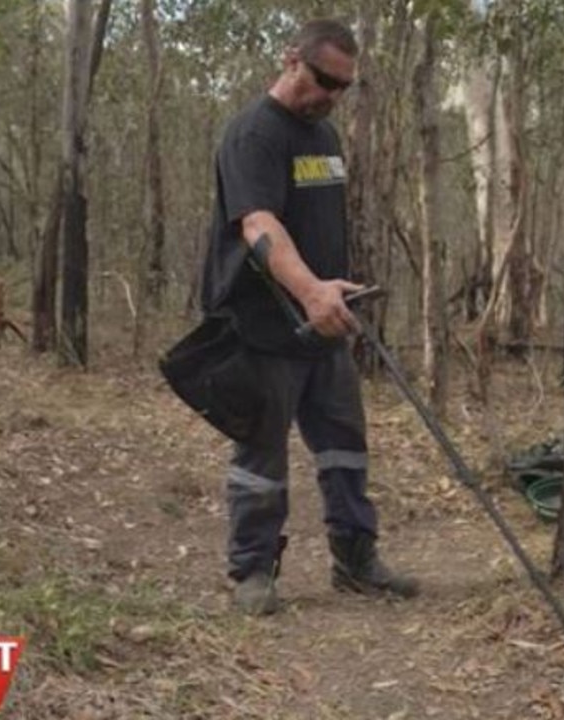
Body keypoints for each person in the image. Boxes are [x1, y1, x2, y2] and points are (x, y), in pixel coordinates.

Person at [198, 18, 419, 615]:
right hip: (265, 327)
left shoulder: (325, 137)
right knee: (261, 455)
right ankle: (253, 572)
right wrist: (310, 292)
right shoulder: (253, 134)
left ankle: (356, 559)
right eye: (325, 80)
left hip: (326, 325)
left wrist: (333, 295)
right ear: (292, 59)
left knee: (345, 447)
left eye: (344, 86)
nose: (332, 96)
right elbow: (259, 226)